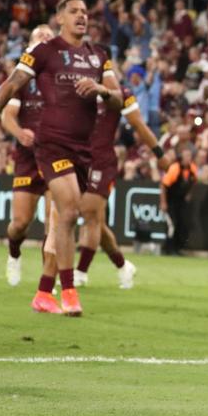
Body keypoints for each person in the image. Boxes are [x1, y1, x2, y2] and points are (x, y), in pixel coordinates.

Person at [0, 0, 123, 316]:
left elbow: (118, 98)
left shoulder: (100, 56)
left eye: (85, 12)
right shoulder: (44, 51)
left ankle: (44, 293)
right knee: (69, 212)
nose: (81, 16)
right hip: (51, 145)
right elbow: (12, 83)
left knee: (69, 216)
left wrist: (101, 90)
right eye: (74, 12)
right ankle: (69, 292)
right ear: (60, 18)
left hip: (83, 151)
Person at [74, 85, 167, 288]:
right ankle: (124, 266)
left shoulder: (120, 93)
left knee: (89, 215)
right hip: (77, 159)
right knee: (97, 223)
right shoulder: (76, 84)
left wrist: (159, 153)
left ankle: (80, 273)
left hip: (101, 162)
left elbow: (139, 125)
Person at [1, 24, 54, 289]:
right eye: (39, 35)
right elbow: (7, 116)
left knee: (54, 225)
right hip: (27, 158)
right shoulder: (22, 79)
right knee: (20, 223)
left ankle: (48, 280)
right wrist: (20, 133)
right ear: (30, 46)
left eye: (49, 35)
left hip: (56, 156)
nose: (45, 37)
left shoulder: (61, 77)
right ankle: (14, 253)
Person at [160, 146, 198, 255]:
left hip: (181, 201)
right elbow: (163, 185)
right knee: (172, 225)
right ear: (181, 157)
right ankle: (168, 248)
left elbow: (195, 181)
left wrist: (189, 193)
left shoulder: (192, 168)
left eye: (190, 156)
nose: (188, 158)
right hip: (171, 200)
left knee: (181, 224)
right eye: (186, 156)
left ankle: (177, 248)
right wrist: (163, 202)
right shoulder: (175, 168)